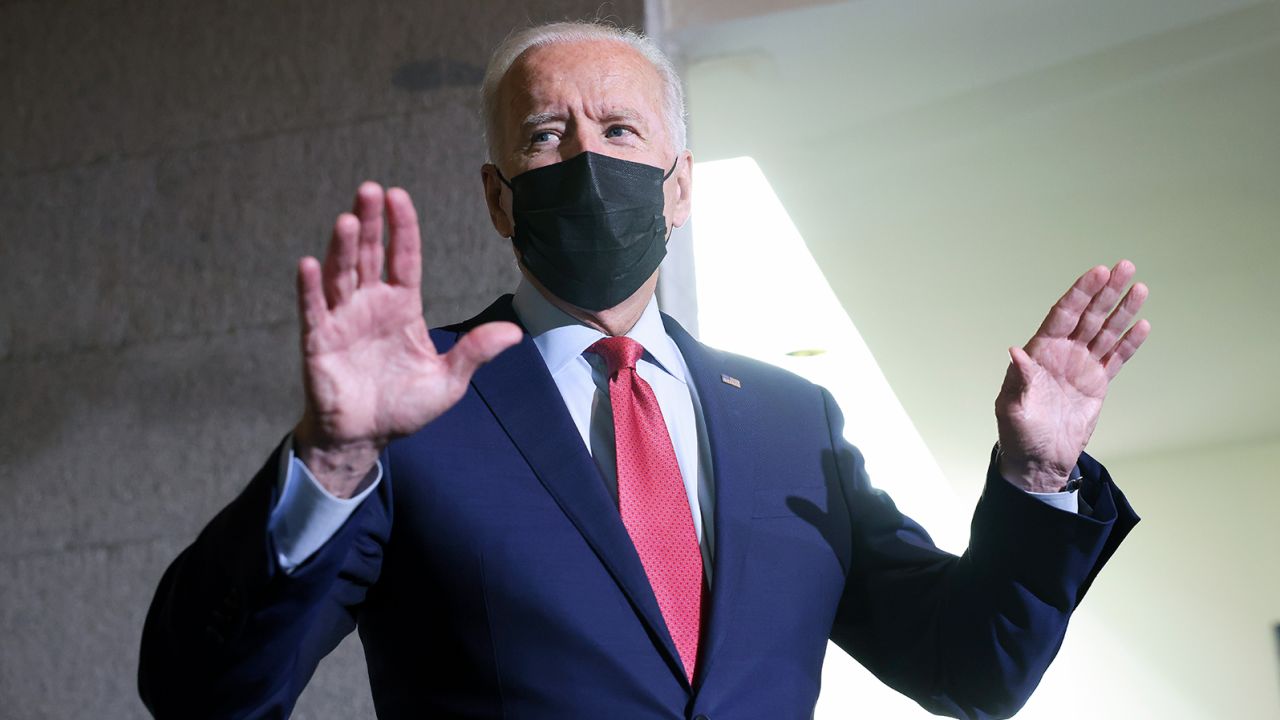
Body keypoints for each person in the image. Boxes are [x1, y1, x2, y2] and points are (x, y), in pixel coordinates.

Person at [139, 20, 1149, 720]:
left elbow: (966, 666)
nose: (585, 156)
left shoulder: (792, 423)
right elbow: (205, 696)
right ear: (498, 201)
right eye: (545, 135)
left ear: (678, 189)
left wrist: (1037, 479)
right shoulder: (412, 413)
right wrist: (330, 458)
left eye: (620, 131)